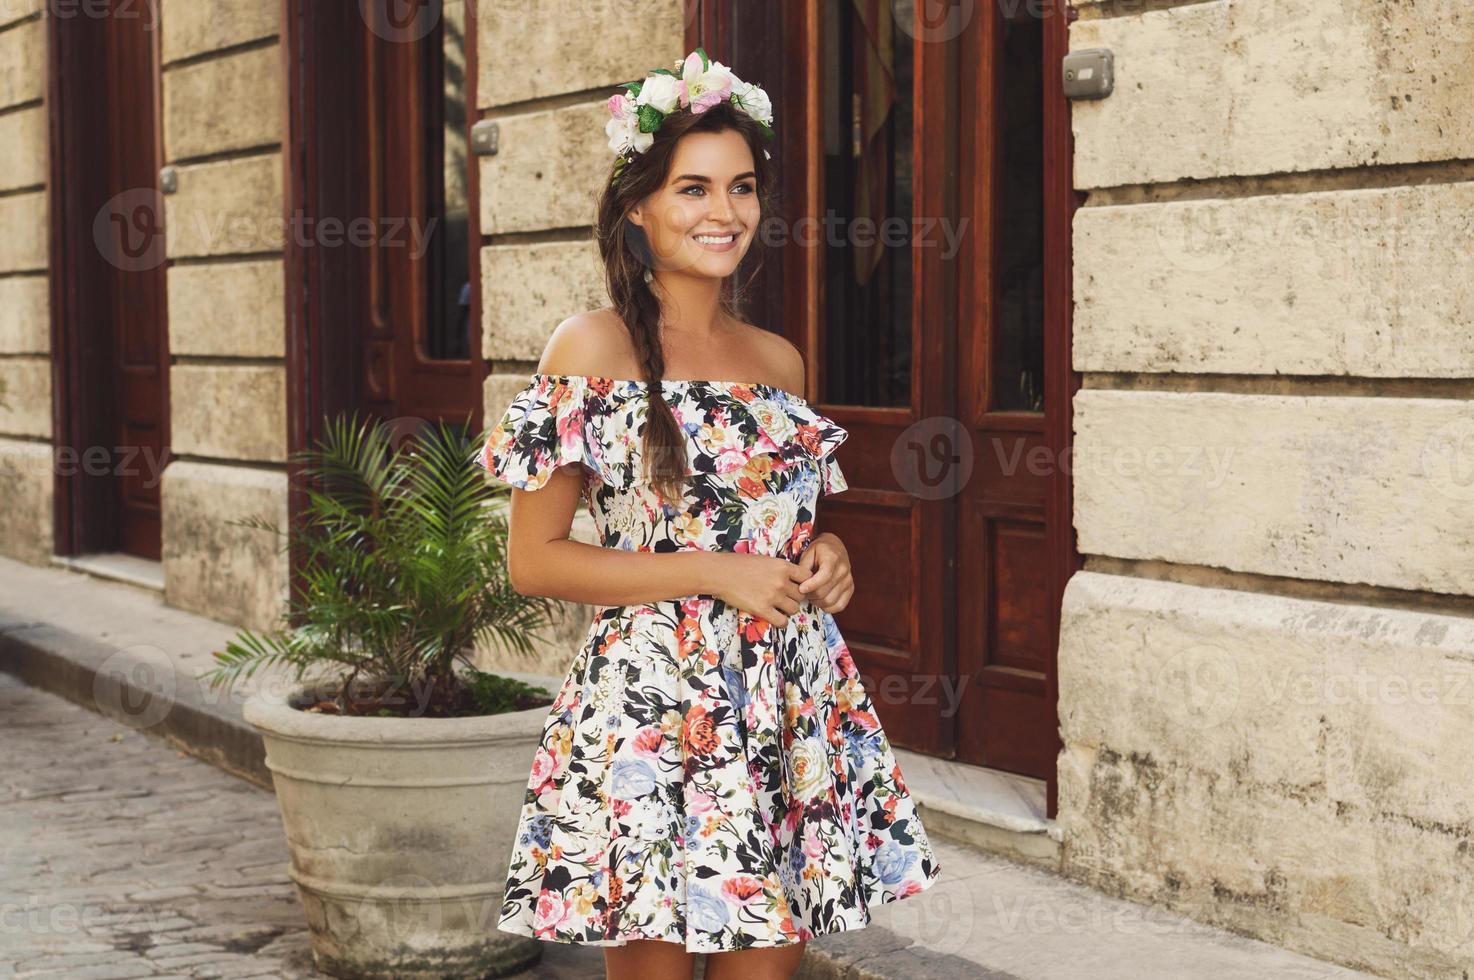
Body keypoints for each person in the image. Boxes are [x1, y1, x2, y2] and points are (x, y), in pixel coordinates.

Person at [477, 49, 940, 980]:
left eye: (742, 188)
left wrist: (829, 555)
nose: (723, 212)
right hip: (654, 710)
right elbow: (537, 562)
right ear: (639, 207)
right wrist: (710, 569)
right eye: (693, 188)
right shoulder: (591, 346)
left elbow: (786, 535)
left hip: (780, 698)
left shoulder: (779, 360)